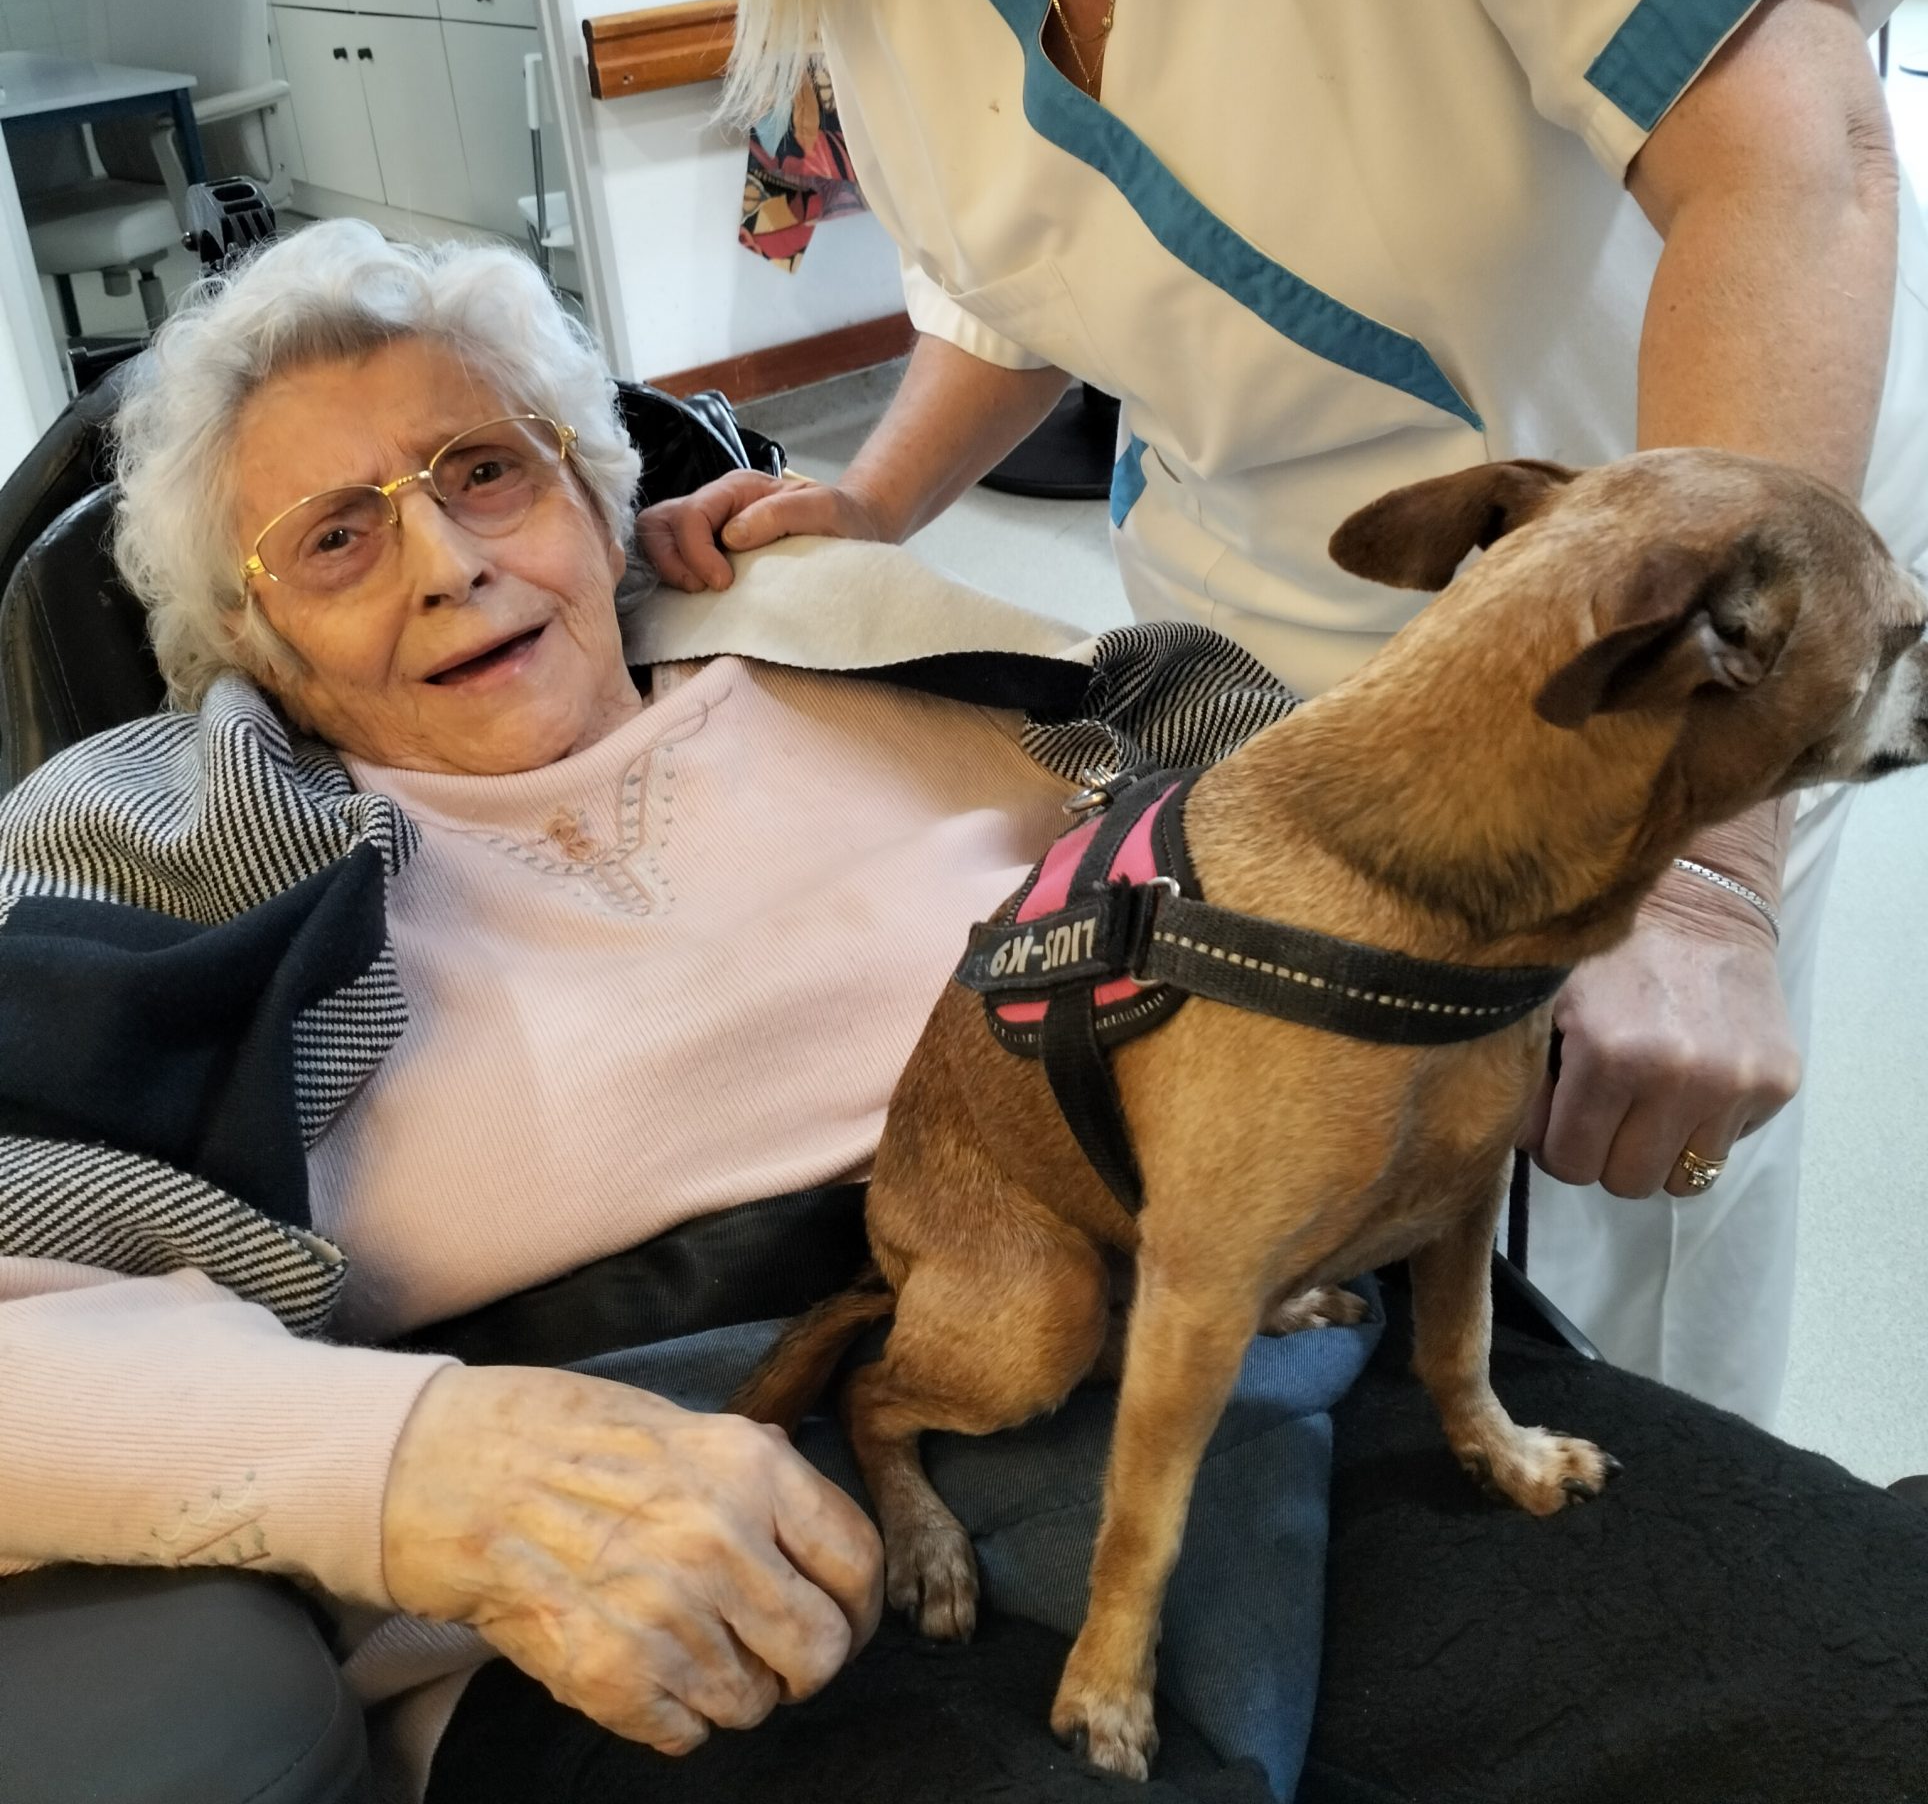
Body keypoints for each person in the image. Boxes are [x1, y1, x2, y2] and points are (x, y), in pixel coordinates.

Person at [3, 221, 1927, 1804]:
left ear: (599, 494)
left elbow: (1379, 830)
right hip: (707, 1517)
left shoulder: (913, 653)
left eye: (488, 470)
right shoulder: (144, 857)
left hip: (1282, 1341)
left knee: (1852, 1689)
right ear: (247, 643)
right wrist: (423, 1469)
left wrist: (1683, 884)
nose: (449, 558)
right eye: (333, 539)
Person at [600, 0, 1928, 1426]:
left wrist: (1702, 850)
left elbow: (1786, 152)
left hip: (1692, 573)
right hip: (1280, 629)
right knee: (1311, 1213)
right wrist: (873, 490)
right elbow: (1027, 270)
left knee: (1601, 1215)